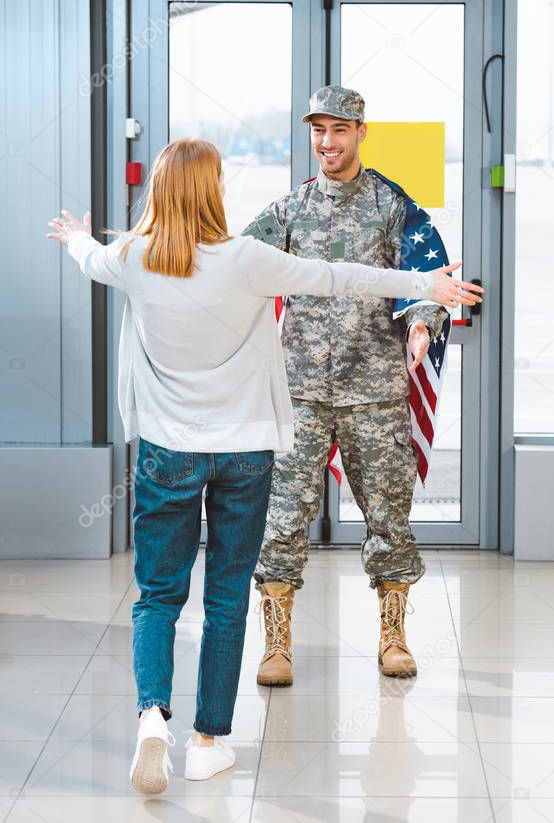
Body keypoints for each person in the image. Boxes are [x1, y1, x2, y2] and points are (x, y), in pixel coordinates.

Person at [46, 138, 469, 796]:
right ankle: (208, 741)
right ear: (213, 193)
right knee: (223, 600)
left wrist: (73, 236)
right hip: (244, 451)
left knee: (157, 596)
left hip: (167, 451)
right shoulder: (247, 260)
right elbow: (340, 276)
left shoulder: (132, 257)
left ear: (158, 193)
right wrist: (423, 285)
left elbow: (88, 257)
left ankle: (153, 718)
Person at [244, 87, 484, 685]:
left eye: (339, 130)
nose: (327, 142)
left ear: (361, 132)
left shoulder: (391, 206)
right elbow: (234, 263)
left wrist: (425, 324)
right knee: (282, 517)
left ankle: (393, 636)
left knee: (389, 516)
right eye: (318, 130)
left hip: (374, 390)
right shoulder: (288, 211)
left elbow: (429, 278)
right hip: (299, 390)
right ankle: (277, 645)